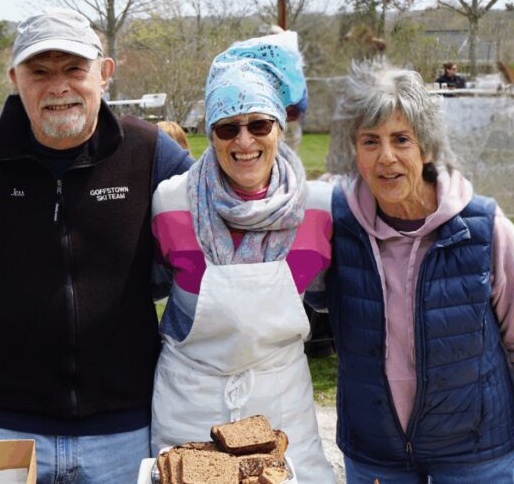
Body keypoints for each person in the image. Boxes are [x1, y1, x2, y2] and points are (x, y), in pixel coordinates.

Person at [0, 9, 192, 483]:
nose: (58, 86)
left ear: (104, 73)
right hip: (0, 425)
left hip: (123, 426)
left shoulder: (147, 150)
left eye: (74, 69)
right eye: (39, 72)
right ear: (14, 78)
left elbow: (217, 210)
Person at [150, 32, 336, 483]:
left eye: (259, 124)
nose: (244, 140)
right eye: (227, 127)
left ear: (280, 126)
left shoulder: (321, 208)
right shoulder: (170, 202)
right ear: (210, 133)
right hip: (187, 403)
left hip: (282, 401)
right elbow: (151, 285)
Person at [320, 59, 514, 482]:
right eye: (370, 141)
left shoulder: (486, 229)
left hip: (476, 453)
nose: (386, 157)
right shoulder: (336, 227)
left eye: (401, 139)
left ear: (425, 148)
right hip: (376, 452)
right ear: (356, 152)